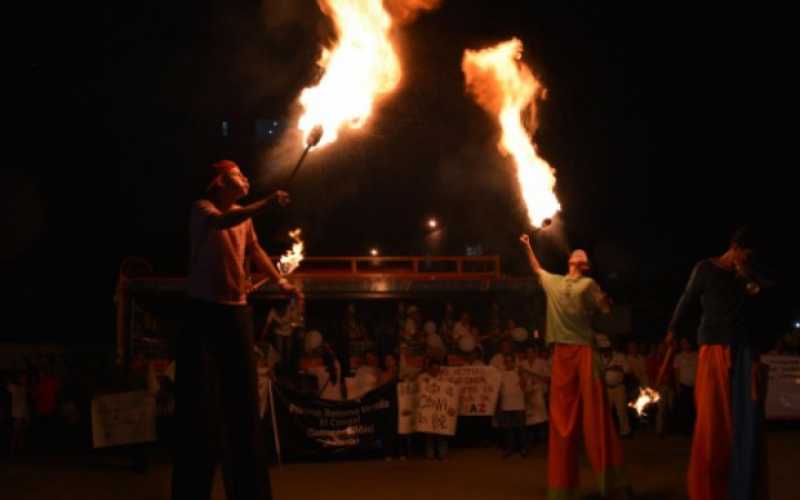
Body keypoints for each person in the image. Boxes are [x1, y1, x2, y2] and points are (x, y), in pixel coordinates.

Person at [172, 159, 301, 500]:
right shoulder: (203, 209)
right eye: (237, 173)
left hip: (236, 313)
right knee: (201, 405)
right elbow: (224, 220)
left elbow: (255, 251)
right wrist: (268, 203)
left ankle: (249, 491)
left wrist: (281, 282)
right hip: (203, 313)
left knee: (242, 407)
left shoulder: (244, 216)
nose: (245, 177)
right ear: (218, 180)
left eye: (245, 173)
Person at [520, 234, 631, 500]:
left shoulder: (589, 284)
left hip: (585, 352)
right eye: (577, 252)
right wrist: (527, 245)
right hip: (561, 354)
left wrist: (605, 303)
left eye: (584, 255)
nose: (580, 253)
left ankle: (614, 485)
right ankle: (562, 490)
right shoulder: (554, 282)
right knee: (561, 423)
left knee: (597, 419)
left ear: (585, 265)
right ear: (571, 260)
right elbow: (536, 268)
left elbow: (605, 311)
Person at [666, 226, 770, 500]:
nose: (745, 261)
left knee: (743, 419)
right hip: (713, 347)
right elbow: (686, 299)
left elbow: (759, 307)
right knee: (713, 420)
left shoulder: (744, 275)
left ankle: (740, 487)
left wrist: (749, 279)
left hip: (743, 350)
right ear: (735, 248)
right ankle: (710, 487)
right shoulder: (705, 269)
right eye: (744, 256)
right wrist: (672, 329)